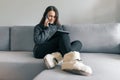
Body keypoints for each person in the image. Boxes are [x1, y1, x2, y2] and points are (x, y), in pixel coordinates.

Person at [33, 6, 92, 76]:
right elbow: (38, 41)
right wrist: (46, 28)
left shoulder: (58, 26)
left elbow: (64, 42)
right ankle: (72, 62)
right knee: (63, 35)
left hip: (54, 51)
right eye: (50, 16)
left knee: (78, 43)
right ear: (45, 16)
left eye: (54, 17)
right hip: (40, 51)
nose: (52, 18)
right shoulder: (38, 27)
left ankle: (55, 58)